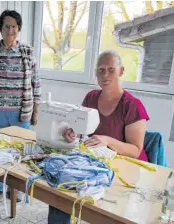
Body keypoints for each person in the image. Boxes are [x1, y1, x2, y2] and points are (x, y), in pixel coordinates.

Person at [49, 50, 150, 223]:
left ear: (121, 71)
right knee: (60, 194)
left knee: (107, 212)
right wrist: (73, 134)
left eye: (111, 69)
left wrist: (108, 141)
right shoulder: (91, 97)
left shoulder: (132, 106)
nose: (105, 75)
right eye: (101, 70)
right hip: (97, 164)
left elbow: (135, 150)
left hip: (125, 170)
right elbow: (81, 130)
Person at [0, 10, 41, 203]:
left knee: (18, 151)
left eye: (13, 26)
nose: (10, 30)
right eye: (6, 26)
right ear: (1, 29)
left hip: (20, 112)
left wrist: (36, 109)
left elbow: (36, 82)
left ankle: (16, 188)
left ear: (18, 29)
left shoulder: (27, 51)